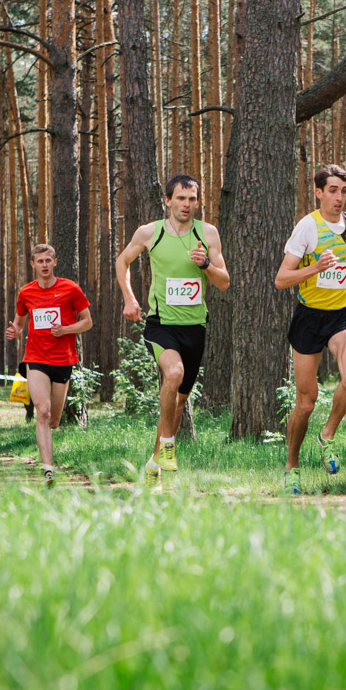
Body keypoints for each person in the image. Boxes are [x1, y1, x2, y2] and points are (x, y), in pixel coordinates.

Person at [115, 174, 230, 480]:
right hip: (160, 323)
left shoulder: (207, 233)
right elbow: (122, 262)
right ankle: (168, 446)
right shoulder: (149, 232)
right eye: (180, 198)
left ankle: (155, 462)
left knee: (179, 400)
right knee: (174, 373)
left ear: (197, 202)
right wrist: (129, 298)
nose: (186, 204)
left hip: (194, 326)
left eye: (192, 199)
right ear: (168, 201)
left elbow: (224, 282)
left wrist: (206, 265)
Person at [274, 164, 346, 494]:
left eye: (344, 191)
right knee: (306, 404)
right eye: (332, 190)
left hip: (342, 315)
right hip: (309, 317)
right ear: (319, 193)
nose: (339, 197)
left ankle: (327, 435)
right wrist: (316, 267)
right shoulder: (308, 228)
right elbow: (281, 279)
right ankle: (292, 466)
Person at [4, 243, 93, 486]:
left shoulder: (70, 288)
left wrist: (66, 329)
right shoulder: (26, 292)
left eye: (48, 260)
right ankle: (48, 470)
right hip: (35, 358)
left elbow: (87, 322)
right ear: (33, 265)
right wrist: (15, 330)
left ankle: (48, 459)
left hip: (63, 360)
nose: (44, 265)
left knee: (53, 420)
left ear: (55, 262)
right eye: (40, 261)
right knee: (42, 411)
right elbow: (19, 322)